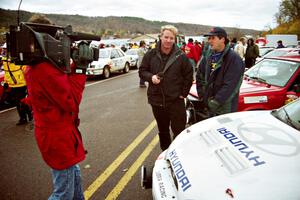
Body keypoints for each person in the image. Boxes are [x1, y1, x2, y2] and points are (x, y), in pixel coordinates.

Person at [24, 14, 86, 200]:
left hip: (59, 134)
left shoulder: (39, 65)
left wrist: (74, 64)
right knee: (63, 193)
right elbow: (70, 101)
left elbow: (63, 82)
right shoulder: (44, 69)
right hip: (58, 137)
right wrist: (81, 69)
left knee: (74, 181)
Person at [139, 25, 193, 151]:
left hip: (175, 100)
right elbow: (142, 71)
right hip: (157, 100)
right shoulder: (151, 54)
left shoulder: (181, 56)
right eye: (166, 37)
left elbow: (188, 76)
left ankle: (178, 153)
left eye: (171, 38)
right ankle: (166, 154)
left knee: (179, 130)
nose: (168, 40)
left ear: (175, 39)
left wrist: (183, 94)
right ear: (161, 37)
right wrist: (151, 77)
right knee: (163, 131)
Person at [196, 27, 244, 117]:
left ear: (222, 39)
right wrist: (202, 95)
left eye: (213, 38)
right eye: (209, 38)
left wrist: (215, 102)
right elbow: (200, 76)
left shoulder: (234, 59)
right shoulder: (208, 55)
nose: (210, 41)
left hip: (225, 109)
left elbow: (231, 86)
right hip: (209, 106)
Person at [2, 44, 32, 125]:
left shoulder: (19, 59)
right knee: (18, 102)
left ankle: (25, 117)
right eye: (3, 50)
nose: (4, 52)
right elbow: (7, 72)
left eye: (5, 50)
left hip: (22, 84)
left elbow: (26, 71)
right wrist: (6, 82)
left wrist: (29, 83)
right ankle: (27, 115)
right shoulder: (6, 61)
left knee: (21, 102)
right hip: (13, 85)